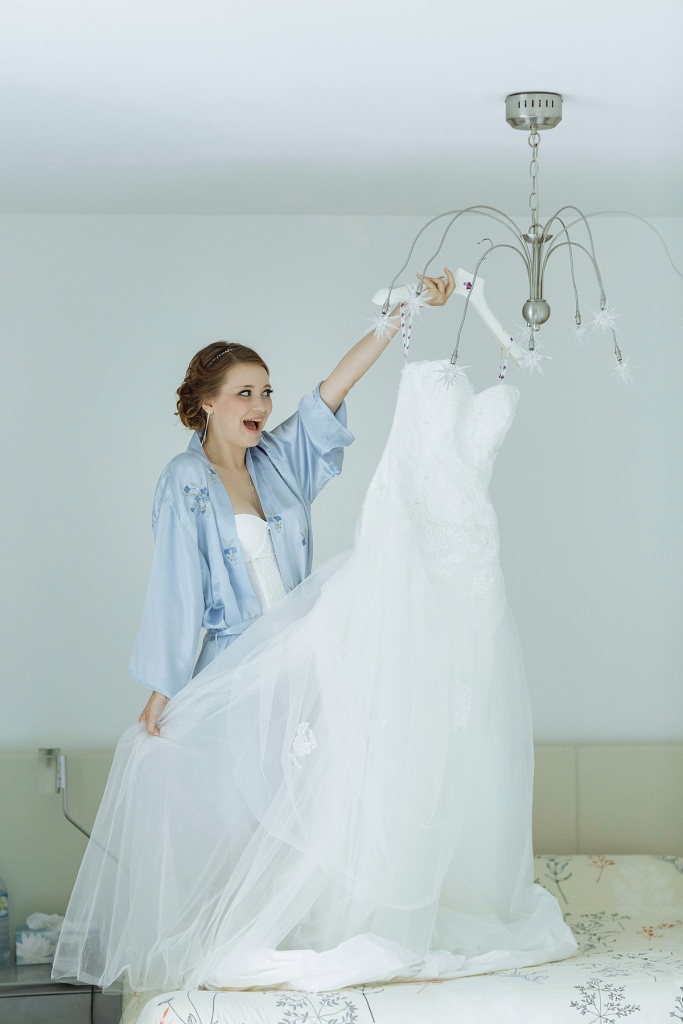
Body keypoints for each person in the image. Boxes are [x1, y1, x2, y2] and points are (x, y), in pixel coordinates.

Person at [131, 269, 455, 736]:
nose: (261, 406)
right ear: (208, 402)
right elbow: (175, 584)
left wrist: (408, 310)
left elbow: (336, 386)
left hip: (302, 663)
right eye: (244, 393)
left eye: (266, 392)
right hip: (235, 673)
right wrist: (163, 687)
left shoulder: (278, 460)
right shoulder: (185, 478)